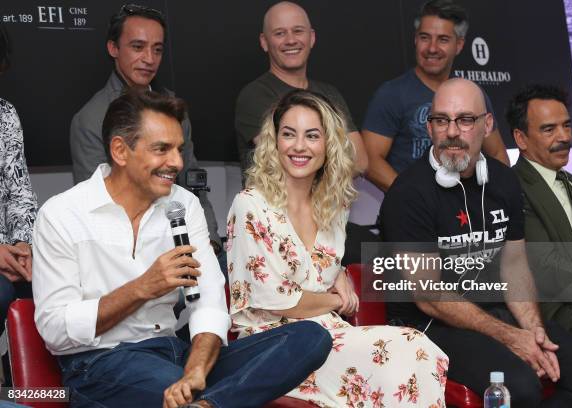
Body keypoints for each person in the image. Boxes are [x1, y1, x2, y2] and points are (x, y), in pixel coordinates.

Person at [33, 90, 332, 408]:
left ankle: (206, 404)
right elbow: (55, 329)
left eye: (179, 149)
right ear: (120, 150)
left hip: (175, 352)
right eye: (162, 149)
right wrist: (142, 288)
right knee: (171, 386)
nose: (176, 163)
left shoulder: (183, 205)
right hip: (102, 363)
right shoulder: (62, 214)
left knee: (310, 338)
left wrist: (196, 370)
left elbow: (209, 306)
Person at [380, 78, 572, 407]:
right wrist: (511, 337)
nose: (452, 132)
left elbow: (514, 264)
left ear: (487, 125)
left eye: (466, 120)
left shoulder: (503, 179)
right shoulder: (408, 194)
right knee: (519, 388)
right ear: (430, 128)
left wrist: (534, 331)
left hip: (493, 311)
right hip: (429, 325)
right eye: (441, 120)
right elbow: (429, 297)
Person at [228, 89, 447, 407]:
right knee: (408, 349)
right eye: (289, 134)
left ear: (328, 144)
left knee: (416, 348)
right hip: (276, 345)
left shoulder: (332, 206)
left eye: (312, 136)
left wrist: (339, 273)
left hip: (329, 332)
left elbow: (316, 268)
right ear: (275, 142)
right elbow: (275, 300)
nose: (299, 146)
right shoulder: (250, 204)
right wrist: (334, 299)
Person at [69, 4, 223, 261]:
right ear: (113, 48)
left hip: (185, 240)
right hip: (125, 255)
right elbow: (95, 207)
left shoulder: (174, 109)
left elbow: (193, 183)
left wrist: (210, 244)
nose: (149, 59)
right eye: (138, 47)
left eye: (157, 49)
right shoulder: (90, 119)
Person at [508, 84, 572, 359]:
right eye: (549, 129)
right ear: (521, 138)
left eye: (566, 126)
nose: (564, 137)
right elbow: (550, 269)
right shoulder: (516, 187)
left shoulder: (571, 181)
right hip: (570, 308)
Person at [362, 0, 509, 193]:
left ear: (459, 45)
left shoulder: (472, 94)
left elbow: (498, 153)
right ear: (415, 40)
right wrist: (412, 198)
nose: (432, 48)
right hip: (414, 213)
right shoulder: (391, 94)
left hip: (466, 209)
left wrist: (493, 196)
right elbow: (370, 161)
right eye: (425, 38)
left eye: (443, 39)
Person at [235, 1, 367, 179]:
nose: (290, 40)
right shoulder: (255, 96)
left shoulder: (330, 94)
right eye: (279, 33)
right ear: (264, 42)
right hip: (272, 205)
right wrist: (333, 153)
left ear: (311, 38)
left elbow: (359, 162)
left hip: (326, 205)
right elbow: (283, 163)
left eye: (298, 31)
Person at [0, 23, 37, 335]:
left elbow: (19, 191)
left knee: (48, 285)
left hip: (10, 253)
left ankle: (27, 383)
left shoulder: (6, 114)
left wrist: (22, 246)